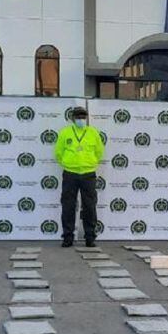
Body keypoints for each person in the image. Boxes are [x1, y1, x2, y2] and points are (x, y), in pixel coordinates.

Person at [54, 106, 104, 248]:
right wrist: (65, 163)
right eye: (78, 117)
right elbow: (58, 152)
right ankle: (67, 237)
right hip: (70, 173)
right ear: (72, 119)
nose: (81, 120)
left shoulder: (93, 133)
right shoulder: (65, 133)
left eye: (83, 117)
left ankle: (90, 237)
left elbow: (99, 151)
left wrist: (92, 162)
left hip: (88, 174)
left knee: (89, 206)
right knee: (68, 205)